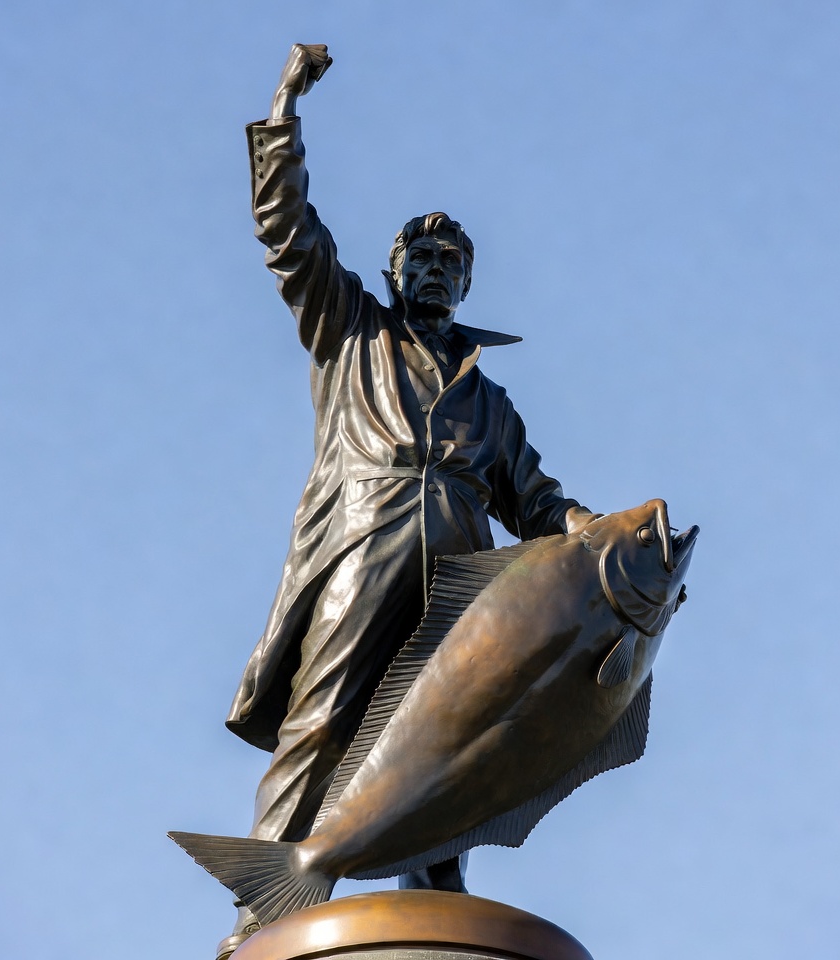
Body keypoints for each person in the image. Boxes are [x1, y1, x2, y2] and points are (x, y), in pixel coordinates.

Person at [217, 43, 596, 960]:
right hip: (364, 544)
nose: (433, 268)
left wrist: (604, 544)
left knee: (442, 742)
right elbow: (287, 231)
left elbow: (540, 502)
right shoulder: (350, 330)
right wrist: (284, 112)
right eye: (418, 255)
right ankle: (265, 908)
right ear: (392, 272)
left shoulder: (487, 402)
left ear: (465, 283)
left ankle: (436, 908)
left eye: (449, 260)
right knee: (325, 720)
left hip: (464, 579)